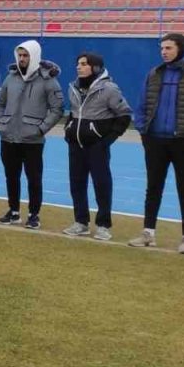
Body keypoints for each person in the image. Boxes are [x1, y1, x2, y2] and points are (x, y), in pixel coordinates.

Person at [129, 33, 184, 255]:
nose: (164, 52)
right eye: (162, 48)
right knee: (153, 187)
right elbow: (141, 103)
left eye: (168, 48)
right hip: (155, 140)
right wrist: (143, 130)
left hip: (183, 142)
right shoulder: (154, 74)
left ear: (181, 49)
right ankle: (148, 233)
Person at [0, 40, 63, 230]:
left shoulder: (48, 80)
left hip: (33, 139)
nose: (22, 59)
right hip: (8, 136)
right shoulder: (10, 78)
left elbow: (57, 109)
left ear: (34, 56)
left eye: (26, 55)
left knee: (34, 178)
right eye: (20, 55)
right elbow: (0, 103)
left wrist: (41, 129)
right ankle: (13, 211)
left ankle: (34, 215)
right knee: (11, 176)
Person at [63, 53, 132, 241]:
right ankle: (81, 222)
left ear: (96, 67)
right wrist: (68, 131)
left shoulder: (109, 89)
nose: (79, 67)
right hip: (76, 145)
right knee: (76, 183)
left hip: (97, 147)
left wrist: (107, 141)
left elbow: (124, 115)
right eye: (78, 63)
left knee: (101, 184)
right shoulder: (73, 87)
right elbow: (73, 113)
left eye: (84, 64)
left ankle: (103, 225)